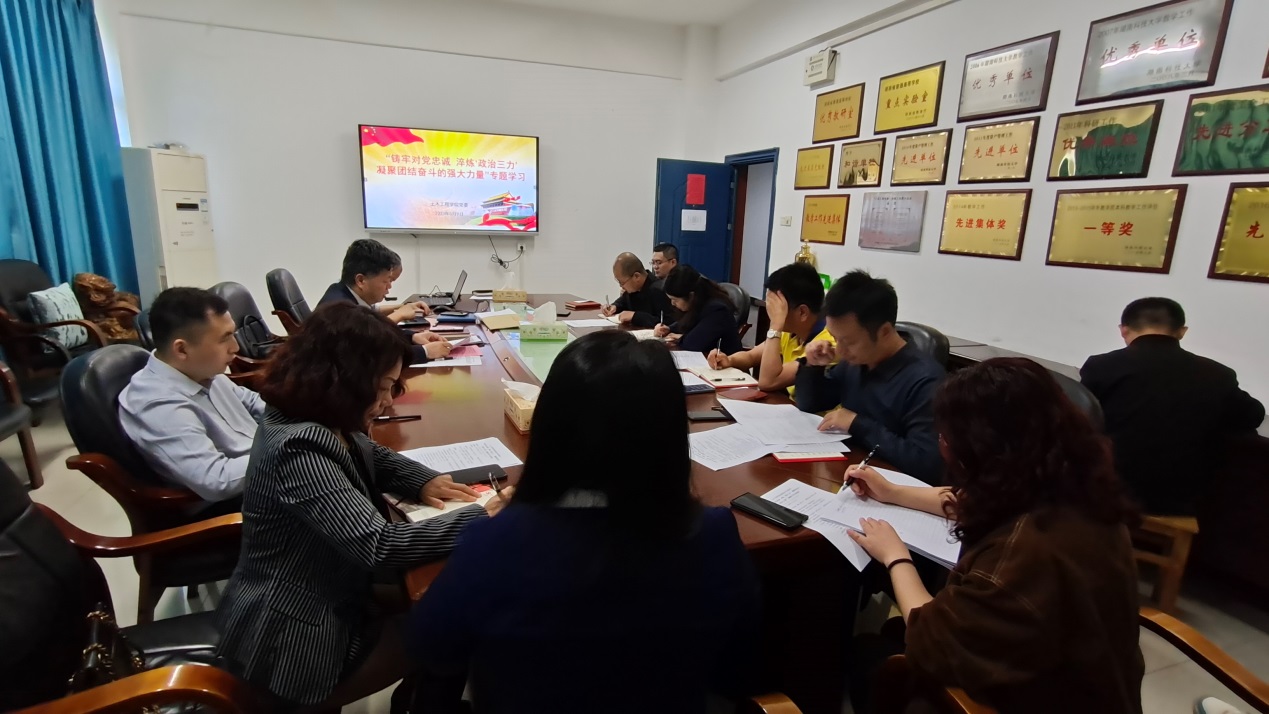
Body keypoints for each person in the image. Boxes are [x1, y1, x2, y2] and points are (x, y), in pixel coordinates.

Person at [407, 330, 759, 713]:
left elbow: (432, 647)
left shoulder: (494, 542)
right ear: (671, 433)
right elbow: (738, 667)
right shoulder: (713, 535)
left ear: (550, 426)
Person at [215, 303, 509, 710]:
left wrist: (423, 480)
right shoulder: (299, 447)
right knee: (452, 624)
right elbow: (379, 546)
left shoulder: (313, 412)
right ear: (344, 380)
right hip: (295, 638)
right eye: (384, 387)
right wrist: (483, 515)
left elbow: (370, 453)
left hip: (331, 591)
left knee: (444, 604)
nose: (388, 401)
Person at [845, 358, 1143, 714]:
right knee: (888, 634)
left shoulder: (1020, 554)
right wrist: (893, 492)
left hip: (1038, 696)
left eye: (945, 438)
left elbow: (929, 641)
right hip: (1085, 680)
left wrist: (895, 557)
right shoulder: (1075, 490)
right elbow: (976, 500)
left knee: (868, 656)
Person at [1080, 297, 1264, 515]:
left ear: (1123, 330)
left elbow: (1082, 418)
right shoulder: (1217, 373)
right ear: (1182, 332)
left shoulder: (1101, 366)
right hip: (1186, 496)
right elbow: (1253, 416)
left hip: (1111, 488)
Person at [794, 270, 944, 484]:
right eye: (835, 338)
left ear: (884, 331)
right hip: (854, 474)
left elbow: (926, 464)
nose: (840, 351)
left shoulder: (927, 381)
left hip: (896, 488)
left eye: (849, 342)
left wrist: (858, 424)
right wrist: (812, 367)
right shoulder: (856, 363)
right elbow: (809, 404)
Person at [119, 287, 264, 503]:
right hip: (241, 502)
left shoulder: (201, 370)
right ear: (182, 350)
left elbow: (252, 402)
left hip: (267, 469)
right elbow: (216, 480)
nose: (235, 347)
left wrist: (304, 413)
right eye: (224, 339)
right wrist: (285, 450)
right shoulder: (158, 405)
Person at [707, 262, 833, 395]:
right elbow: (751, 356)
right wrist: (729, 360)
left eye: (777, 309)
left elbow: (768, 382)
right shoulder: (791, 333)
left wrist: (775, 326)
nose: (771, 314)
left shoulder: (825, 346)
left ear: (802, 312)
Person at [318, 238, 451, 363]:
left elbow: (371, 329)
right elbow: (372, 356)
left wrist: (411, 337)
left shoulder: (342, 292)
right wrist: (425, 352)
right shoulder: (339, 311)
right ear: (361, 280)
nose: (389, 286)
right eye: (386, 280)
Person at [653, 264, 742, 355]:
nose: (672, 303)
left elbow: (692, 344)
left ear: (691, 296)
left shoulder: (717, 311)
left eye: (675, 300)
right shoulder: (698, 304)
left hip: (724, 361)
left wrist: (681, 337)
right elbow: (686, 323)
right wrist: (668, 328)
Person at [600, 251, 673, 327]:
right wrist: (614, 307)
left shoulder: (659, 290)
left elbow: (667, 322)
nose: (621, 286)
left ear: (636, 276)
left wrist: (635, 316)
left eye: (622, 282)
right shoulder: (634, 288)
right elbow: (623, 302)